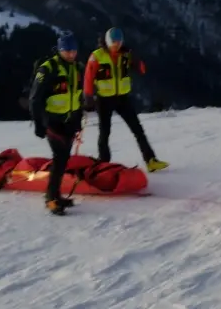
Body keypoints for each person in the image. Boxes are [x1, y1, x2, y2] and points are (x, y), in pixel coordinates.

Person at [83, 26, 168, 172]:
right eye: (113, 42)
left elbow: (142, 70)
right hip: (104, 99)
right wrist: (88, 96)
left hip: (123, 98)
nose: (116, 45)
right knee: (104, 132)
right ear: (107, 42)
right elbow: (88, 77)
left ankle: (151, 160)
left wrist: (136, 60)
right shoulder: (97, 56)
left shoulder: (126, 55)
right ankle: (103, 163)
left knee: (137, 129)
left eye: (119, 42)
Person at [29, 31, 85, 215]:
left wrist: (77, 122)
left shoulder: (77, 68)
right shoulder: (48, 69)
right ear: (59, 50)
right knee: (60, 159)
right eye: (66, 51)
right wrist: (38, 124)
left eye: (73, 50)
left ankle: (55, 195)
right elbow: (35, 99)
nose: (70, 54)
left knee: (62, 160)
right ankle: (51, 199)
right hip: (52, 121)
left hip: (68, 121)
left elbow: (77, 97)